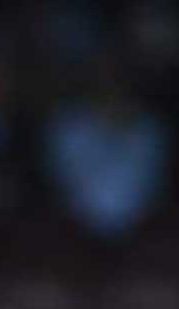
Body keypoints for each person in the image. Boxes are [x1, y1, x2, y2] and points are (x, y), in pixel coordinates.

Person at [44, 59, 168, 238]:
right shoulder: (67, 126)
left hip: (137, 230)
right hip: (72, 229)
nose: (112, 93)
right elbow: (68, 185)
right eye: (106, 85)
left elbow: (141, 190)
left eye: (118, 87)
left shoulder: (147, 131)